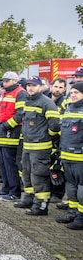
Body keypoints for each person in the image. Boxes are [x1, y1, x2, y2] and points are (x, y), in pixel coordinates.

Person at [13, 76, 60, 215]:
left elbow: (55, 125)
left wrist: (46, 136)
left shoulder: (46, 103)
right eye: (28, 85)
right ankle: (28, 198)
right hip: (28, 145)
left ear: (40, 87)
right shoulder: (28, 101)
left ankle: (41, 205)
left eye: (34, 85)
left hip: (40, 147)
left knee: (39, 176)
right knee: (26, 174)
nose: (30, 88)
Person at [0, 71, 27, 201]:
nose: (4, 83)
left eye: (7, 80)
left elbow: (20, 114)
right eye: (4, 81)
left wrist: (6, 125)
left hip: (10, 132)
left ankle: (14, 191)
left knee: (9, 163)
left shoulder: (20, 93)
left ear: (14, 80)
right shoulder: (4, 93)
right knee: (2, 163)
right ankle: (5, 188)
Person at [56, 82, 83, 229]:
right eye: (72, 92)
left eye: (76, 93)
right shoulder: (68, 109)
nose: (73, 95)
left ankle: (81, 218)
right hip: (67, 156)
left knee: (81, 191)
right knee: (71, 189)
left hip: (80, 158)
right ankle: (72, 213)